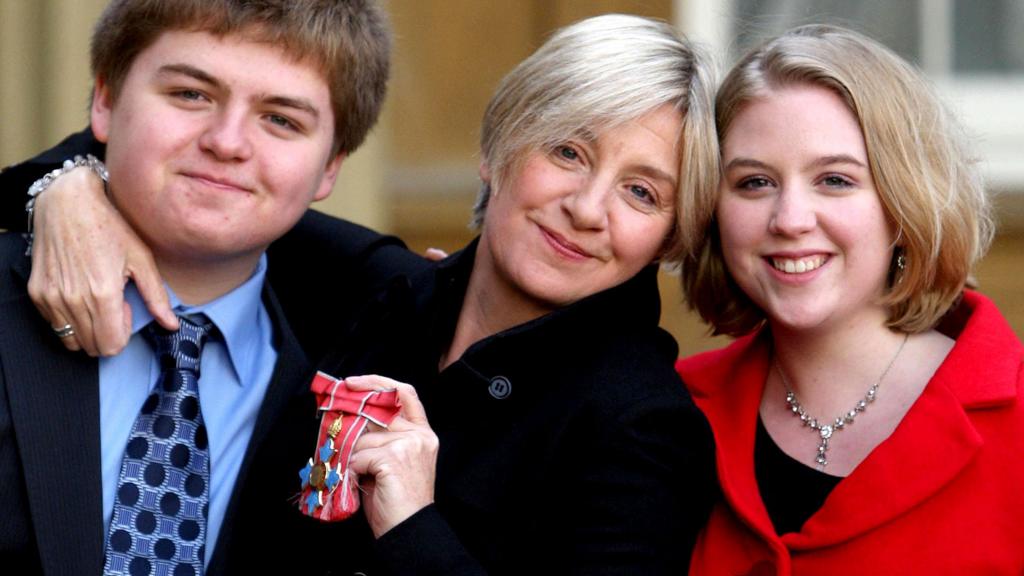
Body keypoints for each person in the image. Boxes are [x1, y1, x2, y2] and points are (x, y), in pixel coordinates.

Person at [5, 14, 721, 575]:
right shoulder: (380, 293)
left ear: (671, 235)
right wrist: (64, 188)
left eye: (641, 192)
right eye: (567, 151)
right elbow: (217, 188)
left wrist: (413, 529)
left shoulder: (644, 425)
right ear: (498, 145)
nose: (588, 207)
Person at [0, 1, 416, 575]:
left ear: (329, 169)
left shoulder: (352, 373)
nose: (227, 142)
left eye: (281, 120)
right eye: (191, 94)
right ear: (105, 100)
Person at [675, 24, 1024, 574]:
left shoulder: (1017, 423)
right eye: (754, 183)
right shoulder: (669, 414)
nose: (789, 219)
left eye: (834, 180)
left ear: (906, 200)